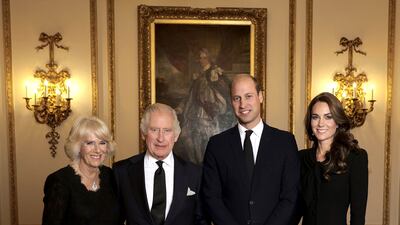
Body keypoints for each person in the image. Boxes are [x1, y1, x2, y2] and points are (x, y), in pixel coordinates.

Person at [201, 74, 300, 225]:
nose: (243, 104)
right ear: (231, 102)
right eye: (237, 98)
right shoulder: (217, 145)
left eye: (248, 96)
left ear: (260, 96)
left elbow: (290, 196)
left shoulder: (285, 142)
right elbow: (211, 198)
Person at [113, 103, 209, 225]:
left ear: (176, 135)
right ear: (143, 133)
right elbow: (113, 219)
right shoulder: (122, 171)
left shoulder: (194, 173)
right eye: (154, 130)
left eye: (167, 130)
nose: (161, 138)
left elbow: (201, 220)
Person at [298, 92, 368, 225]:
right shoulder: (301, 158)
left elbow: (358, 215)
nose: (320, 123)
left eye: (328, 117)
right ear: (310, 122)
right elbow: (295, 208)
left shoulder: (356, 157)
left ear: (337, 122)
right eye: (315, 117)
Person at [42, 116, 121, 225]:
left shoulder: (112, 176)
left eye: (102, 143)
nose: (97, 150)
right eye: (90, 143)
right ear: (77, 147)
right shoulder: (59, 181)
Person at [175, 48, 234, 164]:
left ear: (209, 58)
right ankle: (196, 165)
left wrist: (215, 82)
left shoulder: (215, 72)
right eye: (200, 58)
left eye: (204, 58)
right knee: (188, 138)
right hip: (194, 112)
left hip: (209, 112)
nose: (201, 60)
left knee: (207, 140)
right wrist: (181, 108)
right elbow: (190, 95)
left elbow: (225, 90)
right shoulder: (197, 76)